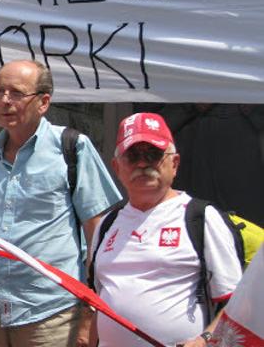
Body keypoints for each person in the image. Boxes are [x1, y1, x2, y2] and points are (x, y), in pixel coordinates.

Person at [0, 59, 122, 347]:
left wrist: (90, 318)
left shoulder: (73, 149)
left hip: (51, 316)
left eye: (16, 93)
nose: (5, 100)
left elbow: (99, 237)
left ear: (43, 102)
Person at [90, 112, 243, 346]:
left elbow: (236, 304)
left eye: (153, 154)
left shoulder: (201, 218)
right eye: (133, 155)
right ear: (116, 167)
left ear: (175, 163)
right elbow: (97, 302)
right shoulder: (106, 224)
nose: (142, 163)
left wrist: (205, 339)